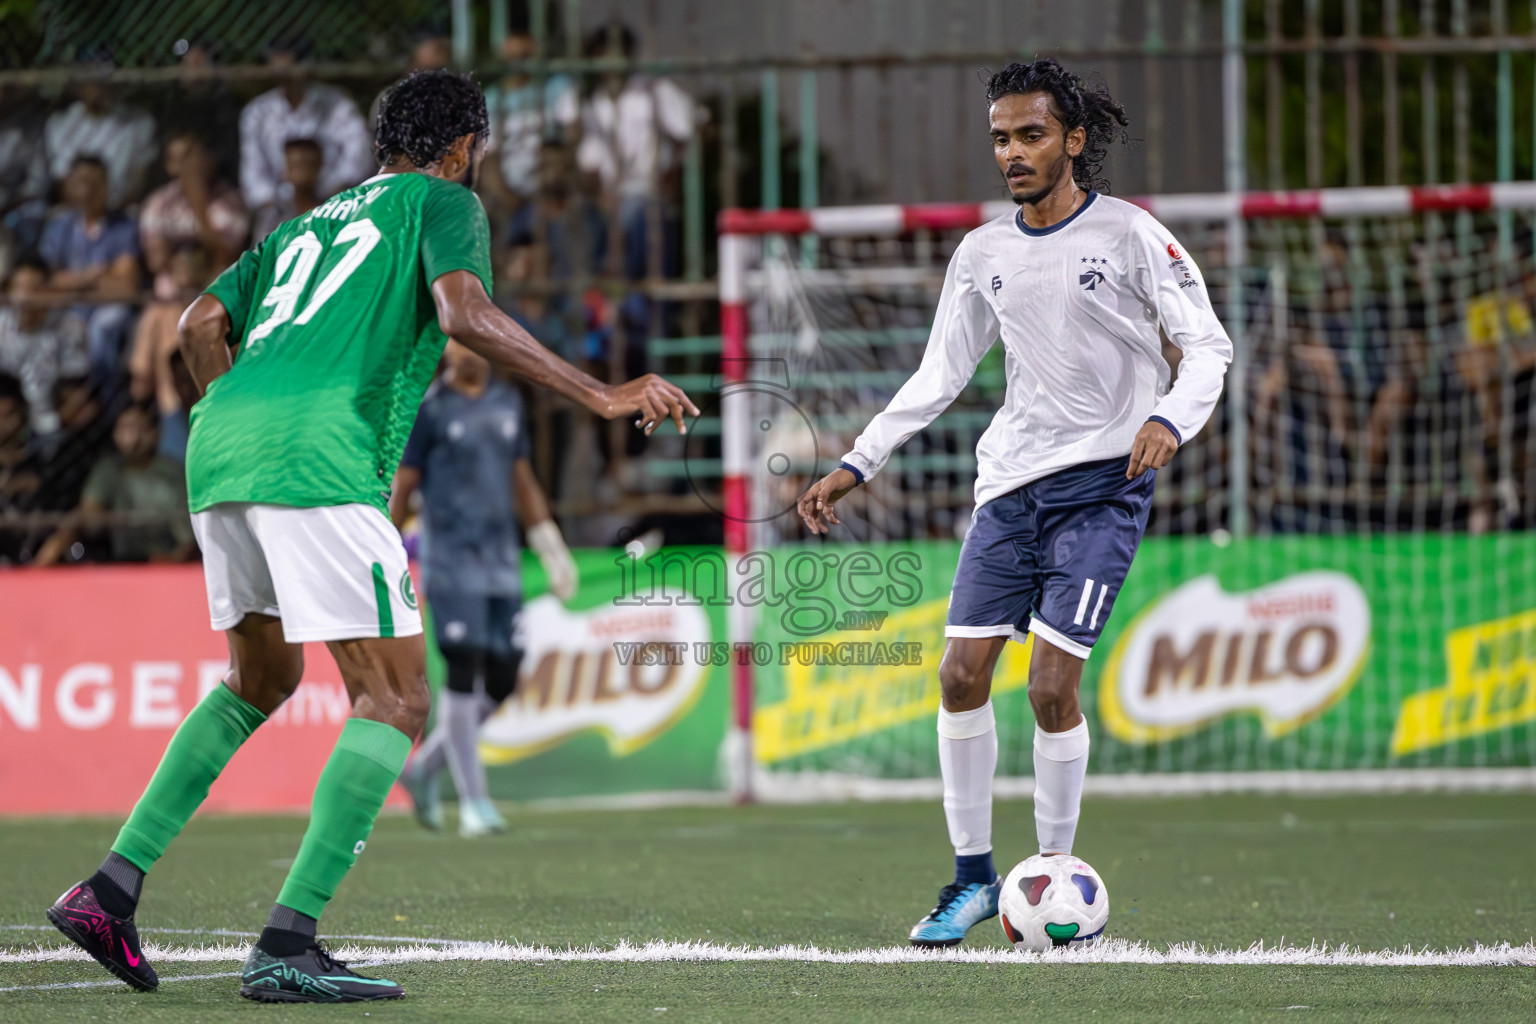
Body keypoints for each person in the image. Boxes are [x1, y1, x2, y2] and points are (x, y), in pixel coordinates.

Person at [44, 68, 697, 1004]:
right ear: (464, 145)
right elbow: (463, 314)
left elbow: (199, 326)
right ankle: (287, 939)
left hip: (222, 446)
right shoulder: (444, 201)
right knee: (396, 699)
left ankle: (109, 891)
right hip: (322, 456)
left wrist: (239, 417)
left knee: (260, 678)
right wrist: (602, 393)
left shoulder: (302, 223)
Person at [798, 58, 1232, 949]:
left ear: (1074, 139)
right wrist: (857, 459)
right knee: (960, 677)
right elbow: (939, 376)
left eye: (1031, 135)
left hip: (1103, 490)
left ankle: (1055, 875)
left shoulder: (1133, 235)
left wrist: (1168, 420)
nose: (1012, 152)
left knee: (1048, 687)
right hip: (1008, 489)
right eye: (1000, 137)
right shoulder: (983, 253)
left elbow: (1209, 347)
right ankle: (971, 882)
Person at [390, 341, 578, 838]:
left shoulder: (507, 403)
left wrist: (551, 546)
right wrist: (384, 555)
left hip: (501, 563)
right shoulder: (430, 411)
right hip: (451, 563)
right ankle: (474, 803)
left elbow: (523, 480)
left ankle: (425, 768)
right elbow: (403, 488)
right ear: (445, 346)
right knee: (463, 669)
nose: (468, 348)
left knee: (504, 680)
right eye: (458, 337)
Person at [34, 401, 195, 565]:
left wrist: (171, 562)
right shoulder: (109, 469)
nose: (132, 437)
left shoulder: (174, 475)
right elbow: (90, 514)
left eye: (139, 428)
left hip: (167, 564)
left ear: (156, 433)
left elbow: (190, 542)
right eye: (125, 428)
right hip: (122, 564)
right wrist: (60, 540)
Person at [37, 156, 140, 385]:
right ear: (68, 186)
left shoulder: (124, 225)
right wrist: (92, 277)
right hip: (69, 309)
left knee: (103, 327)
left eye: (96, 183)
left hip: (106, 309)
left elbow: (125, 287)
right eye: (81, 182)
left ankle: (107, 397)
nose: (89, 190)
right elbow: (46, 282)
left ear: (106, 187)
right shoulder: (59, 225)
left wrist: (71, 284)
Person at [238, 42, 374, 211]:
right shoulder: (257, 111)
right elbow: (253, 177)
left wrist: (333, 193)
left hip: (333, 201)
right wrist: (279, 204)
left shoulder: (337, 103)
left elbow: (359, 156)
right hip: (278, 208)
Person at [138, 132, 249, 301]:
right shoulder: (158, 202)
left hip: (218, 286)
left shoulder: (230, 200)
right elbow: (156, 262)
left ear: (208, 158)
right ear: (169, 165)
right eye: (181, 158)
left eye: (193, 155)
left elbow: (228, 256)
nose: (189, 164)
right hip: (171, 290)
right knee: (164, 288)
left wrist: (198, 202)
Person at [480, 29, 579, 212]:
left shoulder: (556, 88)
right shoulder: (492, 99)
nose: (520, 62)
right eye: (515, 56)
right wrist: (508, 199)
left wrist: (559, 174)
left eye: (525, 55)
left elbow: (574, 137)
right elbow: (489, 160)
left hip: (553, 187)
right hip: (510, 193)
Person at [43, 62, 158, 207]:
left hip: (122, 209)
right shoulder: (59, 123)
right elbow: (63, 181)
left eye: (102, 78)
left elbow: (139, 179)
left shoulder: (138, 122)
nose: (96, 85)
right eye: (89, 76)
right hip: (75, 211)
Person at [0, 257, 90, 436]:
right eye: (18, 288)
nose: (24, 298)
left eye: (33, 289)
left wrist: (57, 422)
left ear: (48, 292)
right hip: (10, 416)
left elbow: (77, 391)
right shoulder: (1, 323)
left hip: (55, 421)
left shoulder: (70, 328)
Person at [250, 138, 323, 243]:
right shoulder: (272, 217)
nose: (302, 171)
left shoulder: (333, 210)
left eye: (307, 163)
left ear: (319, 166)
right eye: (296, 164)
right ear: (285, 168)